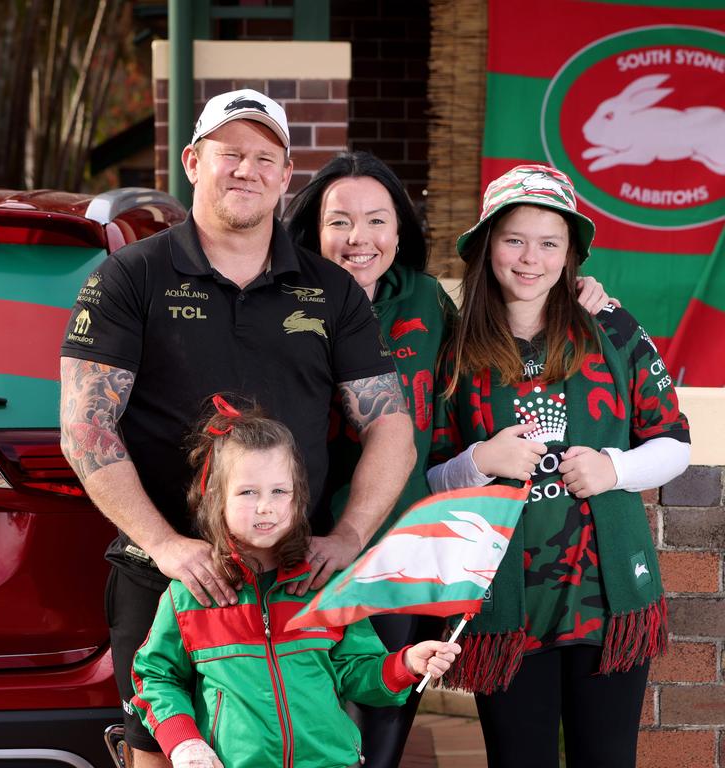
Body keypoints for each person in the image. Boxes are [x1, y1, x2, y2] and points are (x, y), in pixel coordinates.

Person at [59, 89, 415, 767]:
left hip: (286, 578)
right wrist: (166, 546)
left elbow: (391, 427)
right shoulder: (129, 277)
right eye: (229, 153)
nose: (245, 170)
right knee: (163, 754)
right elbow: (86, 427)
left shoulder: (330, 289)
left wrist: (349, 536)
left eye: (264, 157)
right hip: (162, 571)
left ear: (285, 178)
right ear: (194, 161)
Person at [282, 151, 614, 768]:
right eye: (340, 222)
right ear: (312, 230)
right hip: (290, 551)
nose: (360, 238)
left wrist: (574, 296)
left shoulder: (426, 301)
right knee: (286, 730)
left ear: (401, 230)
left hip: (400, 553)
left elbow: (504, 331)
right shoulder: (277, 300)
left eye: (377, 220)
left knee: (375, 739)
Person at [427, 164, 690, 768]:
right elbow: (430, 476)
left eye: (550, 243)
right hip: (504, 602)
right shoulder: (455, 346)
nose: (530, 258)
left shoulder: (611, 327)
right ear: (487, 244)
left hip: (605, 600)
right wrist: (478, 460)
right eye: (514, 239)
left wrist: (613, 469)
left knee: (606, 757)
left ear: (570, 253)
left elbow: (674, 441)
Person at [130, 397, 461, 768]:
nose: (264, 507)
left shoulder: (328, 588)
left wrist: (406, 664)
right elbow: (156, 678)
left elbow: (357, 671)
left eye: (279, 491)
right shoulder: (191, 595)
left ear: (298, 497)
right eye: (247, 492)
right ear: (215, 499)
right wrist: (184, 743)